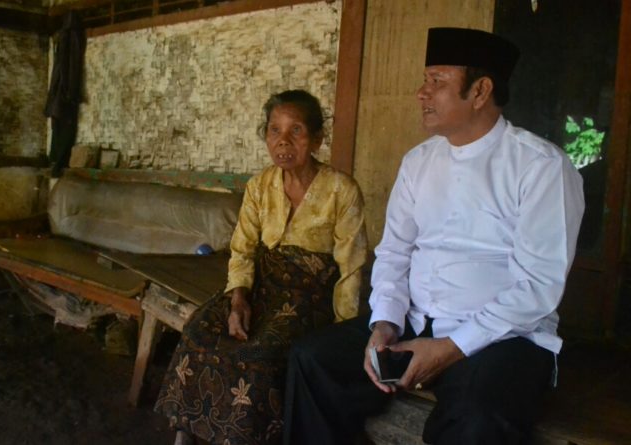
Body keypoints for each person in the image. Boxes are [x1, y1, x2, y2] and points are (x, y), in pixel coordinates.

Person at [282, 27, 585, 445]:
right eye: (425, 80)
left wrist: (451, 347)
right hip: (414, 322)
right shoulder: (418, 161)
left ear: (480, 91)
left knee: (480, 416)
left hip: (502, 338)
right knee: (312, 360)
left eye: (437, 82)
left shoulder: (541, 166)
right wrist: (385, 322)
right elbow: (394, 252)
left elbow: (538, 286)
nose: (421, 93)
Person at [154, 89, 369, 445]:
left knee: (259, 353)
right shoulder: (259, 186)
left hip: (308, 294)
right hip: (261, 284)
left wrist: (341, 331)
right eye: (274, 130)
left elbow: (351, 267)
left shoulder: (341, 190)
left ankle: (241, 438)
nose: (283, 141)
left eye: (296, 130)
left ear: (317, 139)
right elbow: (242, 249)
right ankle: (185, 432)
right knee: (199, 330)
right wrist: (238, 298)